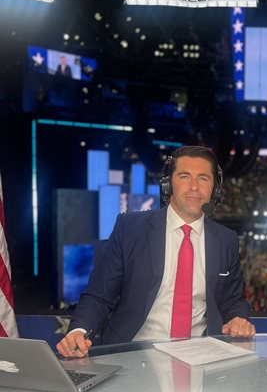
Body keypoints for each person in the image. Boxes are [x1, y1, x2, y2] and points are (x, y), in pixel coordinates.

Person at [57, 146, 255, 357]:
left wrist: (238, 318)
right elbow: (99, 296)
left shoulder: (226, 239)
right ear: (168, 184)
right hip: (134, 353)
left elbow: (234, 300)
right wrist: (79, 331)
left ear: (215, 189)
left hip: (199, 355)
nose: (194, 187)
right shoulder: (129, 228)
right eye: (185, 176)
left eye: (203, 178)